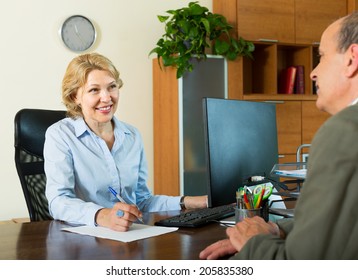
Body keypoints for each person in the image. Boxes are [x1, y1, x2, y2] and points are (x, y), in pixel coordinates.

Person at [200, 11, 358, 260]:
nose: (313, 72)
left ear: (352, 59)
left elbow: (304, 267)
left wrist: (254, 242)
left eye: (322, 57)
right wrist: (275, 228)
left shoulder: (345, 130)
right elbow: (338, 229)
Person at [44, 53, 207, 232]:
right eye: (94, 90)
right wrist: (103, 215)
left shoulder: (132, 136)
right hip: (81, 240)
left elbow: (142, 201)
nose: (106, 98)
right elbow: (58, 201)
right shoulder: (60, 135)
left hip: (130, 237)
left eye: (111, 87)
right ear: (75, 96)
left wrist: (188, 202)